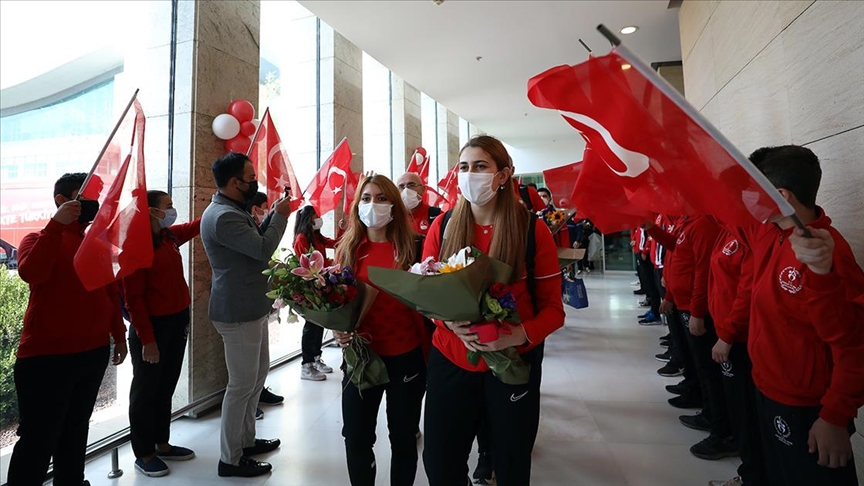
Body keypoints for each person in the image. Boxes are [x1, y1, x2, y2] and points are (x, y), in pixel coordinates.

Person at [422, 135, 565, 486]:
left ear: (503, 175)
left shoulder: (533, 229)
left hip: (513, 364)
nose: (471, 174)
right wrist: (447, 321)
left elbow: (553, 310)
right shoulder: (443, 226)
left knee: (512, 463)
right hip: (452, 360)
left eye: (481, 166)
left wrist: (519, 333)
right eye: (465, 167)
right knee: (440, 462)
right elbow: (425, 295)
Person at [735, 145, 864, 485]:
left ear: (781, 196)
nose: (745, 199)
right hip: (768, 387)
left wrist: (835, 416)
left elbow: (853, 342)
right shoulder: (770, 233)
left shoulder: (829, 256)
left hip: (809, 409)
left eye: (752, 190)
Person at [8, 173, 128, 486]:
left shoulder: (95, 244)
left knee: (76, 428)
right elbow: (31, 271)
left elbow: (108, 293)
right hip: (47, 356)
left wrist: (119, 334)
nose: (92, 202)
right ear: (63, 200)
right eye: (83, 195)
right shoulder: (36, 238)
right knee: (38, 437)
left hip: (92, 351)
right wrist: (55, 225)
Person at [200, 152, 293, 478]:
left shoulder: (234, 210)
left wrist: (270, 217)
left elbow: (254, 243)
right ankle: (230, 459)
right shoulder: (223, 216)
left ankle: (246, 441)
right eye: (251, 177)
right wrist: (280, 215)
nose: (255, 182)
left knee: (255, 379)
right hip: (237, 312)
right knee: (240, 386)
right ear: (234, 182)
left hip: (251, 307)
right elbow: (262, 249)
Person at [332, 174, 427, 486]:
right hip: (361, 358)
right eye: (367, 197)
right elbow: (336, 303)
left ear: (394, 205)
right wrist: (338, 330)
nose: (374, 204)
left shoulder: (413, 248)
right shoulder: (347, 249)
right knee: (356, 438)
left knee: (403, 438)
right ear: (358, 204)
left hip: (406, 357)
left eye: (383, 198)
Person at [122, 190, 200, 477]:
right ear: (152, 212)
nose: (172, 210)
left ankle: (162, 443)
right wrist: (148, 340)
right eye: (168, 206)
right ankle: (144, 453)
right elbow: (134, 299)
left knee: (166, 385)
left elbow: (193, 227)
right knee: (145, 391)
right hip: (152, 327)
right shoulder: (136, 246)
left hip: (177, 320)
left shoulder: (167, 236)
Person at [706, 228, 765, 486]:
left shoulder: (750, 233)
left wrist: (728, 334)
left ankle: (751, 474)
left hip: (738, 337)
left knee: (744, 412)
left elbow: (747, 287)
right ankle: (750, 471)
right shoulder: (728, 230)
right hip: (727, 330)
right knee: (739, 409)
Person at [246, 192, 285, 413]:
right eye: (263, 208)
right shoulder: (227, 219)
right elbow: (262, 249)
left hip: (257, 304)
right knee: (244, 375)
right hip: (242, 308)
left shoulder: (250, 224)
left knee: (260, 366)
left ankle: (257, 396)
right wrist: (278, 216)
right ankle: (238, 443)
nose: (265, 211)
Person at [293, 205, 337, 381]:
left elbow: (332, 243)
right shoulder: (301, 239)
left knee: (319, 324)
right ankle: (307, 363)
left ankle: (316, 357)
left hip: (322, 282)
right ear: (308, 219)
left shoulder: (316, 236)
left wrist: (343, 230)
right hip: (310, 285)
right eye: (315, 216)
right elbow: (306, 264)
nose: (319, 218)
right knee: (311, 325)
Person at [396, 172, 441, 237]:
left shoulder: (437, 216)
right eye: (401, 187)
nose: (406, 190)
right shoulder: (391, 217)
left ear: (422, 190)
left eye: (411, 185)